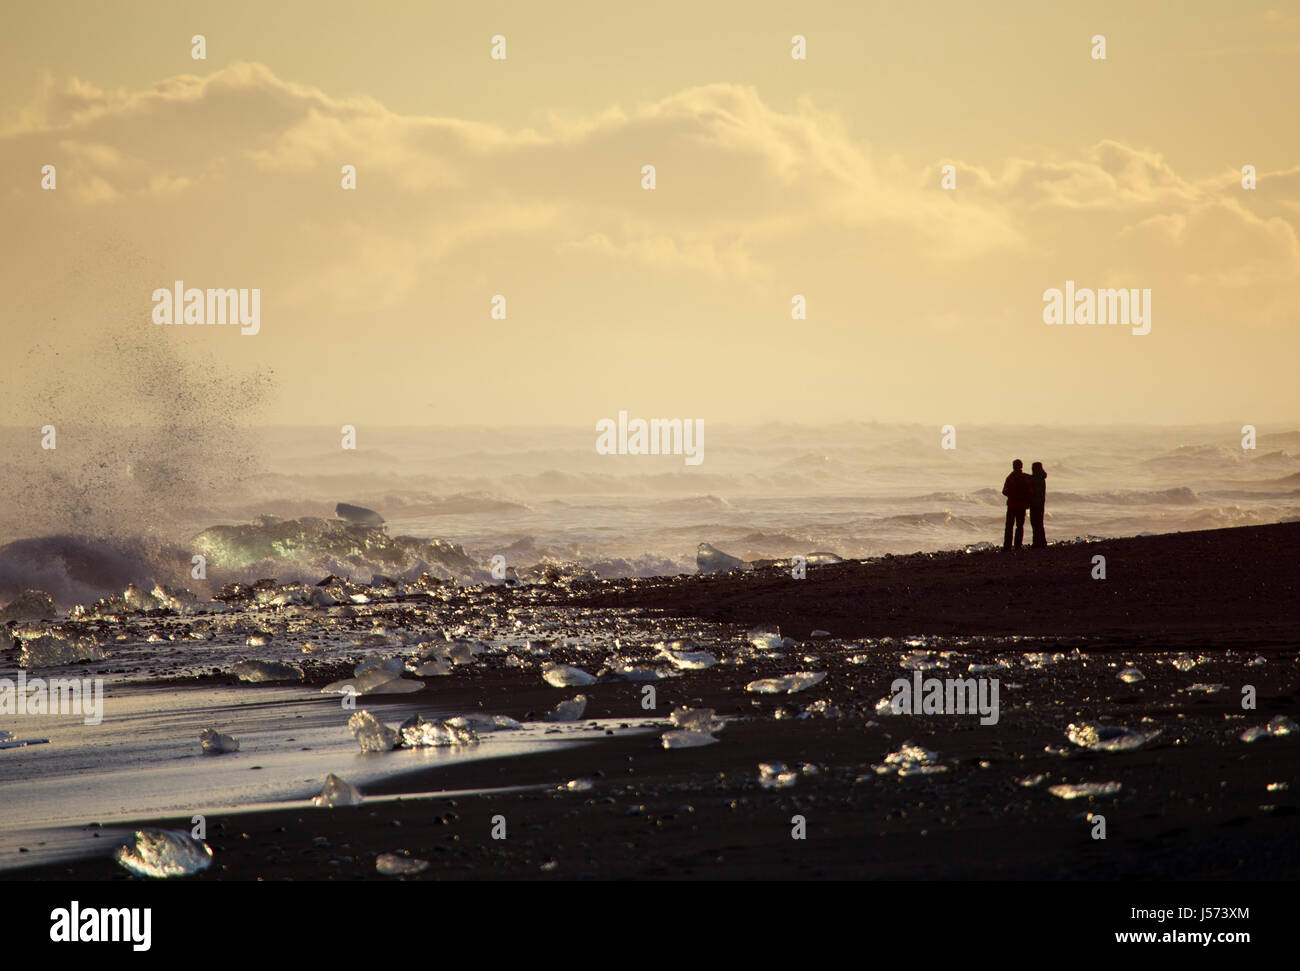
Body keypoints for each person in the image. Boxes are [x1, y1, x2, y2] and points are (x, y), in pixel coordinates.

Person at [1001, 459, 1032, 549]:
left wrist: (1012, 494)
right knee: (1019, 526)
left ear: (1013, 466)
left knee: (1009, 526)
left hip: (1012, 505)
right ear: (1021, 466)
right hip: (1021, 505)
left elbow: (1004, 491)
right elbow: (1030, 492)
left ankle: (1007, 546)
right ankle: (1017, 546)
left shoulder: (1010, 478)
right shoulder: (1026, 478)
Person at [1029, 462, 1048, 548]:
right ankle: (1042, 541)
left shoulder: (1036, 479)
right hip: (1040, 504)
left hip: (1035, 504)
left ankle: (1037, 543)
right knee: (1039, 523)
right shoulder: (1041, 478)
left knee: (1035, 524)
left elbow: (1033, 491)